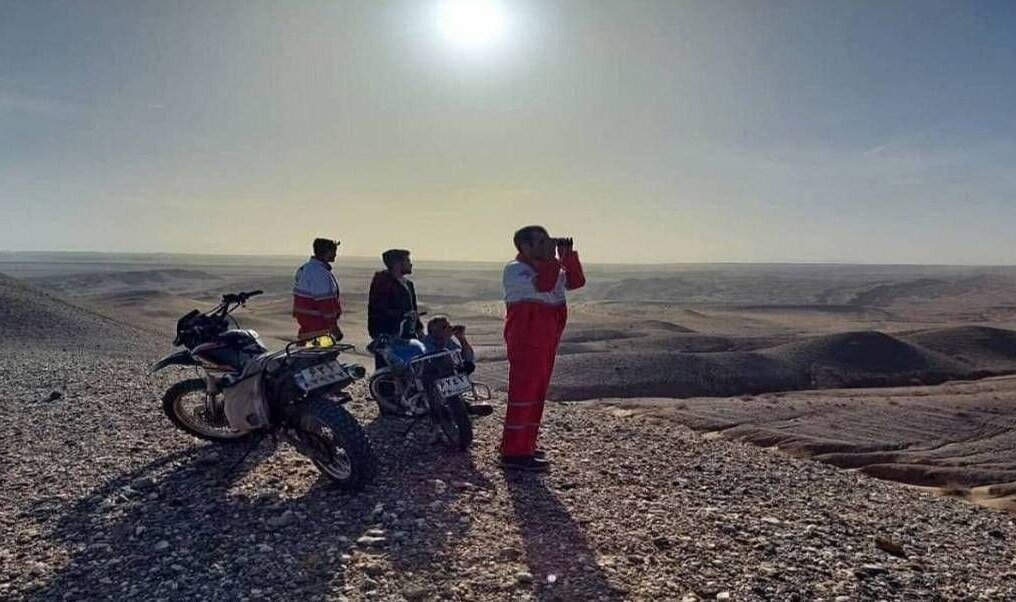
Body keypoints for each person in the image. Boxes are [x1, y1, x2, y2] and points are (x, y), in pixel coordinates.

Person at [500, 226, 585, 471]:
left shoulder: (547, 265)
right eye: (540, 242)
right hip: (527, 339)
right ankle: (513, 454)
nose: (547, 246)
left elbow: (576, 282)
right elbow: (545, 285)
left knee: (536, 394)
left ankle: (523, 444)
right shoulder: (515, 270)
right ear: (525, 247)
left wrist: (567, 256)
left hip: (546, 338)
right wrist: (552, 259)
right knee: (523, 394)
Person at [421, 315, 493, 417]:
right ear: (433, 331)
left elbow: (468, 357)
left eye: (449, 326)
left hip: (450, 374)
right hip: (434, 375)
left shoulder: (449, 342)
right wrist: (445, 340)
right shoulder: (426, 342)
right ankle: (463, 409)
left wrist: (462, 338)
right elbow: (435, 359)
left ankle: (461, 407)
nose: (449, 329)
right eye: (445, 327)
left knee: (468, 366)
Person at [367, 249, 422, 367]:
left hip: (408, 335)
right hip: (388, 335)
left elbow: (413, 308)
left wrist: (418, 327)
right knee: (388, 372)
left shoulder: (408, 284)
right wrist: (402, 315)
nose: (410, 264)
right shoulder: (382, 283)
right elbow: (379, 309)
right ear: (397, 264)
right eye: (407, 261)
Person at [292, 238, 343, 340]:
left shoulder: (305, 269)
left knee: (307, 352)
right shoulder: (320, 273)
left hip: (307, 327)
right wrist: (334, 328)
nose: (335, 254)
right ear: (326, 252)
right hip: (319, 329)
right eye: (333, 251)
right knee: (322, 354)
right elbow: (325, 303)